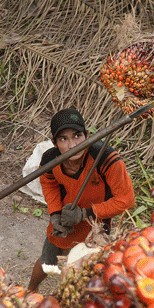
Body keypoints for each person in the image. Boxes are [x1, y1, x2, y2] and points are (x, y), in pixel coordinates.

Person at [27, 107, 135, 292]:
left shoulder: (105, 158)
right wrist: (55, 213)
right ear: (54, 143)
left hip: (96, 226)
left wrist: (85, 214)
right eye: (63, 139)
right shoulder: (50, 160)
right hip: (64, 220)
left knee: (86, 273)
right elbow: (49, 184)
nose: (72, 145)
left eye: (77, 136)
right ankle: (31, 289)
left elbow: (126, 199)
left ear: (87, 135)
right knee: (48, 261)